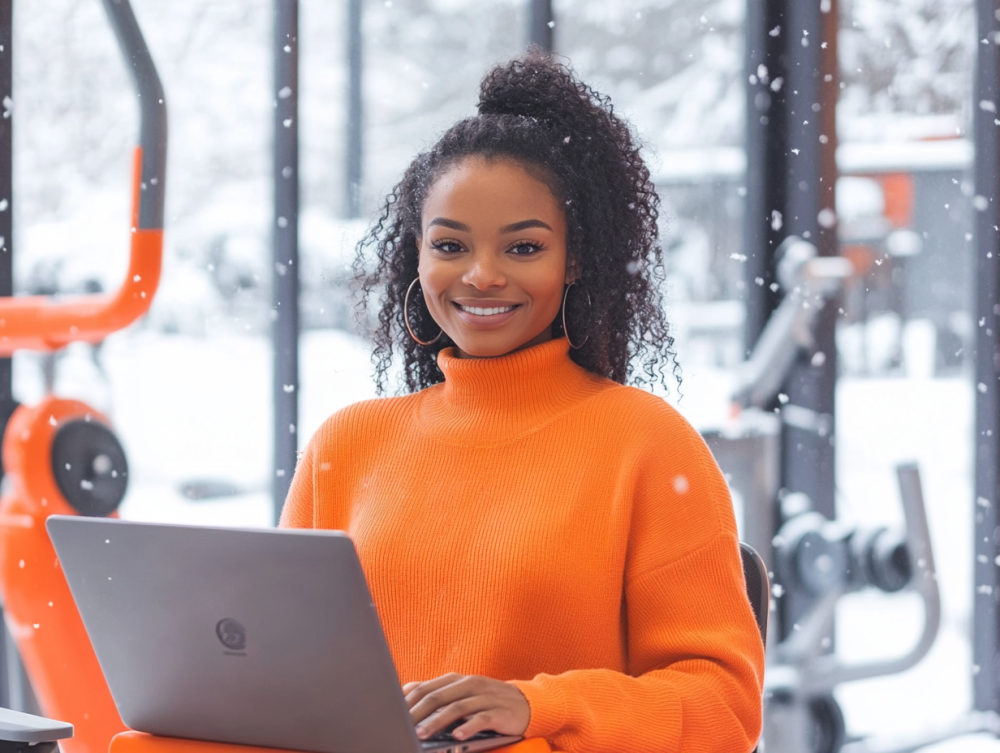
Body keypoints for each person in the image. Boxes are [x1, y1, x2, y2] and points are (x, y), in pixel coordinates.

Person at [280, 51, 764, 753]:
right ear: (417, 254)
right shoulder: (346, 443)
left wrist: (538, 706)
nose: (481, 276)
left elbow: (723, 707)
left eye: (523, 247)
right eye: (450, 244)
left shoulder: (646, 442)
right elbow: (276, 668)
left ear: (573, 260)